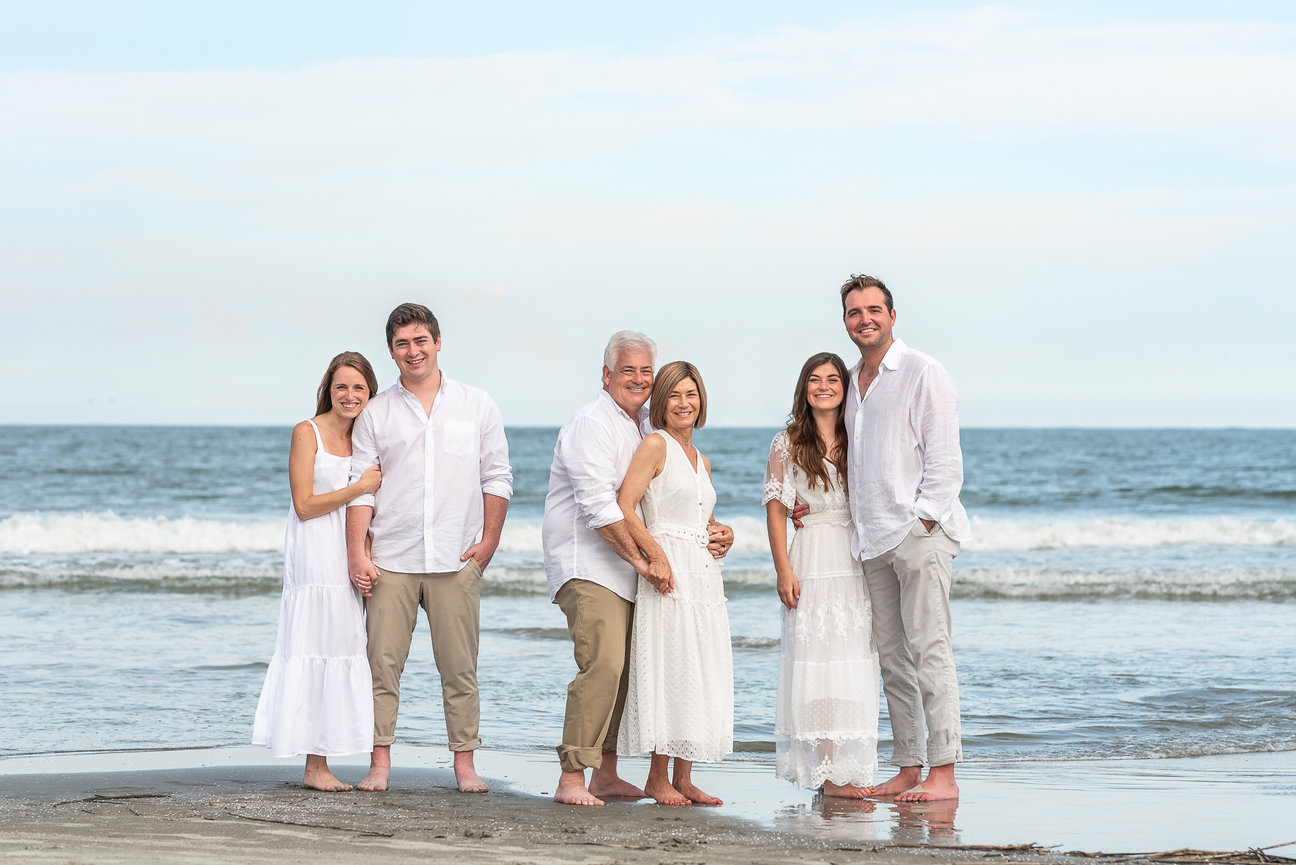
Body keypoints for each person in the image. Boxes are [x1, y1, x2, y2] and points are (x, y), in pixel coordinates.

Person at [345, 303, 513, 794]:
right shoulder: (376, 412)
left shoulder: (477, 404)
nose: (413, 351)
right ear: (392, 351)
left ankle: (464, 766)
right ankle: (379, 764)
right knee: (382, 666)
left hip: (456, 558)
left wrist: (489, 542)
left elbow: (497, 476)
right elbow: (364, 488)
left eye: (421, 341)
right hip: (390, 560)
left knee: (460, 669)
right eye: (402, 344)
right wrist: (358, 552)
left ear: (438, 343)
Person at [839, 274, 972, 803]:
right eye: (854, 312)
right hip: (870, 541)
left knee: (930, 651)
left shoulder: (922, 371)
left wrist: (921, 522)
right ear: (845, 322)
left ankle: (945, 771)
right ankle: (909, 766)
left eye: (874, 309)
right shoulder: (850, 381)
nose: (864, 319)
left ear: (893, 315)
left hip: (917, 535)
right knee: (892, 658)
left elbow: (945, 460)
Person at [252, 351, 383, 791]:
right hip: (313, 554)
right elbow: (305, 506)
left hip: (346, 551)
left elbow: (371, 506)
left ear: (370, 393)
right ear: (328, 388)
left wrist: (364, 553)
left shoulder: (366, 438)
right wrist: (358, 486)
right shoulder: (306, 432)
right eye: (341, 386)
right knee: (312, 647)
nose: (349, 395)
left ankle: (322, 760)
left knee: (341, 649)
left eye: (358, 388)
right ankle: (313, 766)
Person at [616, 361, 733, 806]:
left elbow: (699, 516)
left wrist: (725, 532)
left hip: (704, 575)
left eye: (691, 394)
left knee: (699, 668)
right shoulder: (655, 444)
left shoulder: (700, 458)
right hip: (668, 571)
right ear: (661, 402)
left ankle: (684, 777)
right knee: (671, 667)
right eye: (674, 395)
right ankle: (656, 777)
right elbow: (626, 504)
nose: (684, 403)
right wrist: (656, 557)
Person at [764, 352, 880, 797]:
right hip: (810, 556)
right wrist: (783, 570)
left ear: (846, 388)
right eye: (815, 379)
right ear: (804, 388)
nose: (824, 386)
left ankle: (851, 769)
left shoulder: (859, 438)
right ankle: (827, 774)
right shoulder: (787, 442)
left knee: (852, 664)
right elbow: (777, 512)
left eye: (833, 379)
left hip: (854, 560)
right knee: (815, 664)